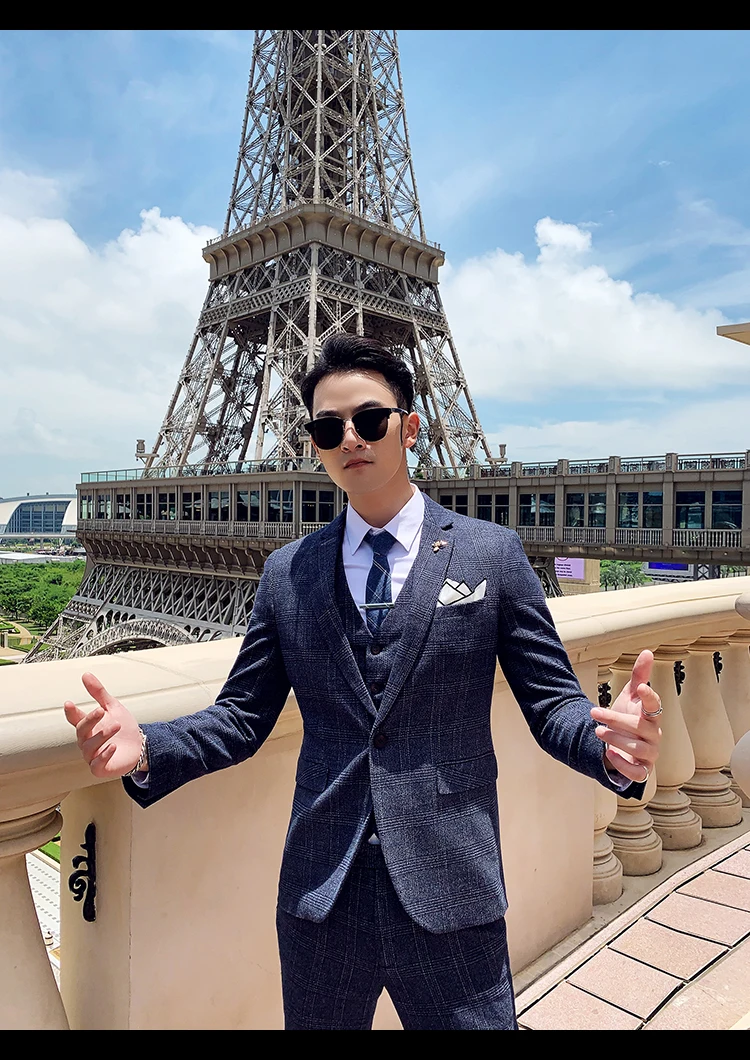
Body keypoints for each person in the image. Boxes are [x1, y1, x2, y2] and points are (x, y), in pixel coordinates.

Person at [65, 334, 662, 1030]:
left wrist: (609, 748)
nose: (350, 438)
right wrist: (147, 747)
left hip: (452, 886)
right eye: (329, 428)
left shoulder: (490, 554)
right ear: (315, 446)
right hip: (322, 894)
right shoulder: (288, 572)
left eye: (370, 420)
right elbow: (241, 717)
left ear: (409, 428)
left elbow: (552, 702)